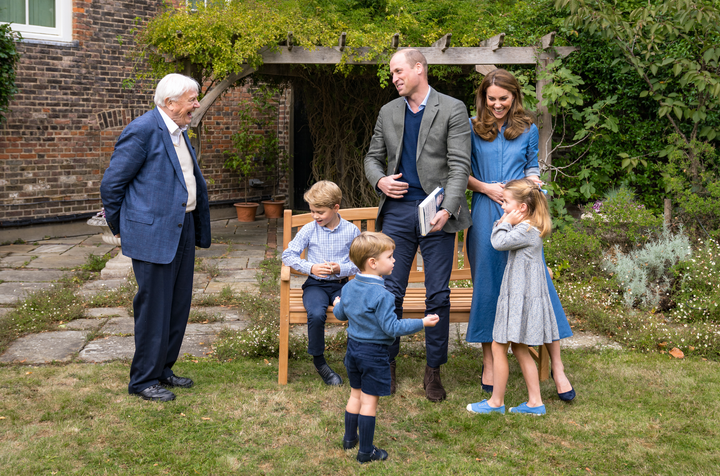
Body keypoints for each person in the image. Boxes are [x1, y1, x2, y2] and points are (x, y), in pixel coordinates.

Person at [364, 48, 472, 402]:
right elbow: (371, 157)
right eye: (392, 73)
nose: (394, 78)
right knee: (390, 293)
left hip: (436, 213)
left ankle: (433, 370)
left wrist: (450, 208)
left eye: (398, 71)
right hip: (397, 212)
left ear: (419, 69)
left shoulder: (452, 108)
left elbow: (459, 166)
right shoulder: (388, 111)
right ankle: (387, 363)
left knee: (437, 294)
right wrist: (380, 180)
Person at [465, 68, 575, 402]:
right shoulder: (471, 127)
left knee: (538, 283)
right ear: (484, 97)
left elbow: (532, 166)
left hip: (522, 212)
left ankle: (557, 367)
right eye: (492, 98)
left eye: (503, 99)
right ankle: (489, 361)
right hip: (486, 210)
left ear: (515, 97)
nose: (497, 105)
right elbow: (461, 171)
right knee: (489, 283)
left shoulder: (527, 128)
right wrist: (487, 188)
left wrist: (532, 181)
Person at [100, 73, 211, 402]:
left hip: (183, 227)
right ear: (170, 103)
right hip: (153, 233)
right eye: (191, 99)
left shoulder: (179, 131)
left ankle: (163, 369)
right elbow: (112, 184)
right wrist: (120, 227)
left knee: (177, 305)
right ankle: (142, 380)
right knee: (154, 308)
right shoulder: (144, 129)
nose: (196, 104)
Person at [333, 232, 439, 463]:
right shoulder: (383, 295)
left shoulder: (349, 287)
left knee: (355, 395)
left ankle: (349, 440)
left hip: (353, 351)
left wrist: (336, 304)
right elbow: (392, 327)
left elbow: (341, 314)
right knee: (369, 403)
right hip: (374, 354)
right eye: (390, 257)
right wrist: (422, 322)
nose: (394, 261)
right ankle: (366, 452)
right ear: (373, 263)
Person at [467, 179, 558, 415]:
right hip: (520, 296)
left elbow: (497, 242)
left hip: (519, 299)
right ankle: (535, 402)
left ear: (522, 208)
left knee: (498, 346)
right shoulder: (529, 228)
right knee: (519, 348)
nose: (503, 207)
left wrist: (505, 220)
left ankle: (496, 402)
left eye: (507, 203)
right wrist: (508, 218)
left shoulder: (525, 230)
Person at [281, 181, 360, 385]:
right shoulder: (309, 229)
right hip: (315, 285)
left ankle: (352, 358)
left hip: (342, 285)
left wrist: (340, 268)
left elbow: (360, 263)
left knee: (355, 311)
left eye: (320, 212)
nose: (315, 216)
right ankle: (320, 362)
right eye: (312, 211)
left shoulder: (351, 231)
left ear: (336, 207)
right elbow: (288, 255)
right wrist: (311, 267)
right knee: (316, 314)